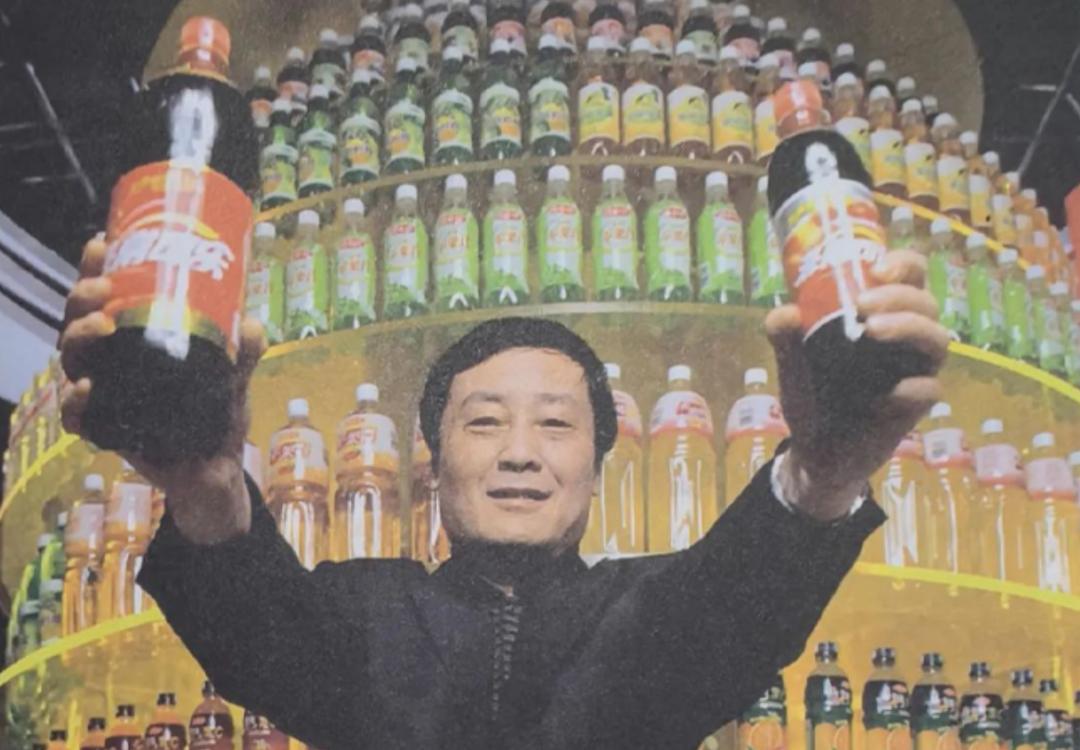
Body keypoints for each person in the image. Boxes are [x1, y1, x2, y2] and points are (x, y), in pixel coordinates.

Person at [58, 234, 947, 749]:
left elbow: (731, 609)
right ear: (432, 459)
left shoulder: (653, 609)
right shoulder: (359, 612)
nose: (521, 453)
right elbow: (263, 635)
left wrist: (823, 471)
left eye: (556, 424)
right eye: (484, 422)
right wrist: (208, 487)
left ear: (598, 460)